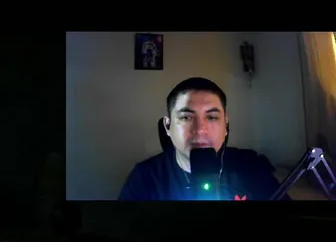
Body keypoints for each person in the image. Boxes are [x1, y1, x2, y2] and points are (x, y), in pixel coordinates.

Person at [118, 77, 286, 201]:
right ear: (168, 126)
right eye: (186, 117)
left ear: (226, 126)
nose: (200, 130)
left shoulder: (252, 166)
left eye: (212, 117)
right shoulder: (145, 177)